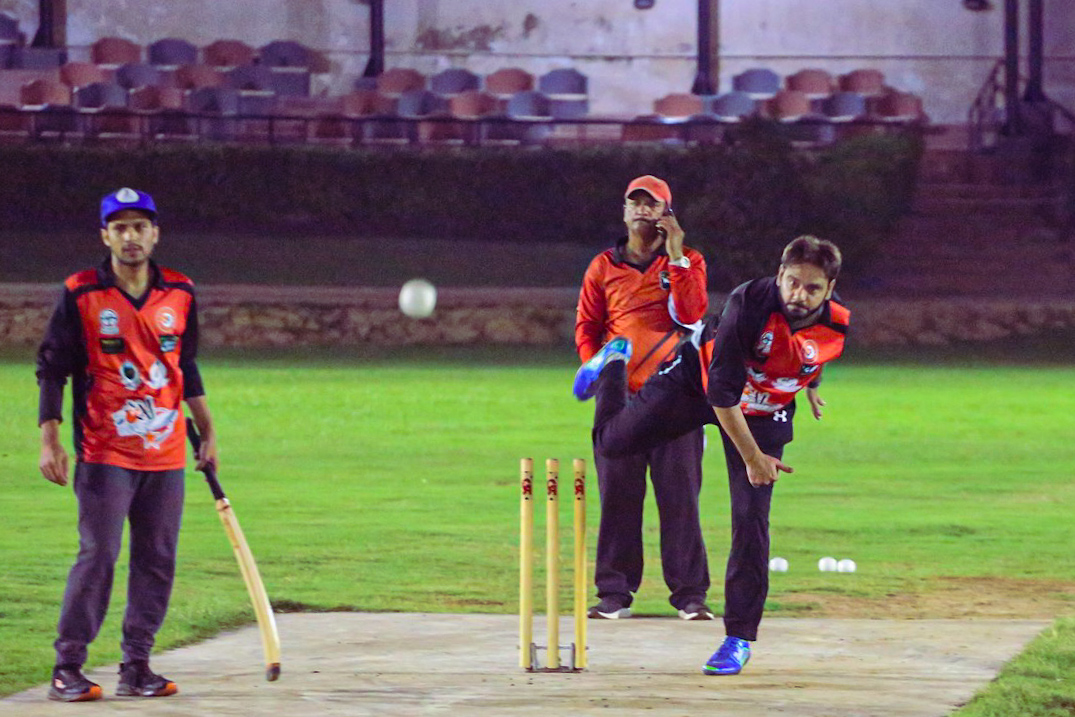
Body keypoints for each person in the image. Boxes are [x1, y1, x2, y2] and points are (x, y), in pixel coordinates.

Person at [573, 235, 849, 674]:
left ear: (829, 290)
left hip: (764, 409)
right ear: (780, 275)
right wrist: (754, 458)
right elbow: (722, 398)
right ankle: (612, 364)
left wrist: (812, 385)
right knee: (613, 445)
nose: (799, 295)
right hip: (698, 383)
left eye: (812, 288)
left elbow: (813, 352)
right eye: (793, 283)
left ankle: (738, 639)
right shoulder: (749, 305)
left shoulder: (837, 322)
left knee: (751, 519)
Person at [36, 187, 218, 702]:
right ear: (105, 236)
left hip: (166, 451)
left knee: (157, 558)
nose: (131, 236)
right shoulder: (81, 292)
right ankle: (68, 666)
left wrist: (207, 431)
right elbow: (51, 368)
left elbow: (185, 365)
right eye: (120, 228)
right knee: (99, 554)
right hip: (104, 451)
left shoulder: (180, 291)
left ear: (155, 234)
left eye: (140, 226)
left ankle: (136, 665)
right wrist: (51, 441)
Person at [574, 175, 714, 621]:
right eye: (634, 202)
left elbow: (692, 313)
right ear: (624, 212)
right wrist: (598, 370)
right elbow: (587, 327)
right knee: (617, 497)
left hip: (675, 397)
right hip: (621, 401)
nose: (641, 209)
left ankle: (690, 595)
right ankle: (615, 594)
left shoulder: (689, 261)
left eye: (651, 204)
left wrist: (676, 255)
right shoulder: (602, 266)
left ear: (666, 214)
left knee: (680, 498)